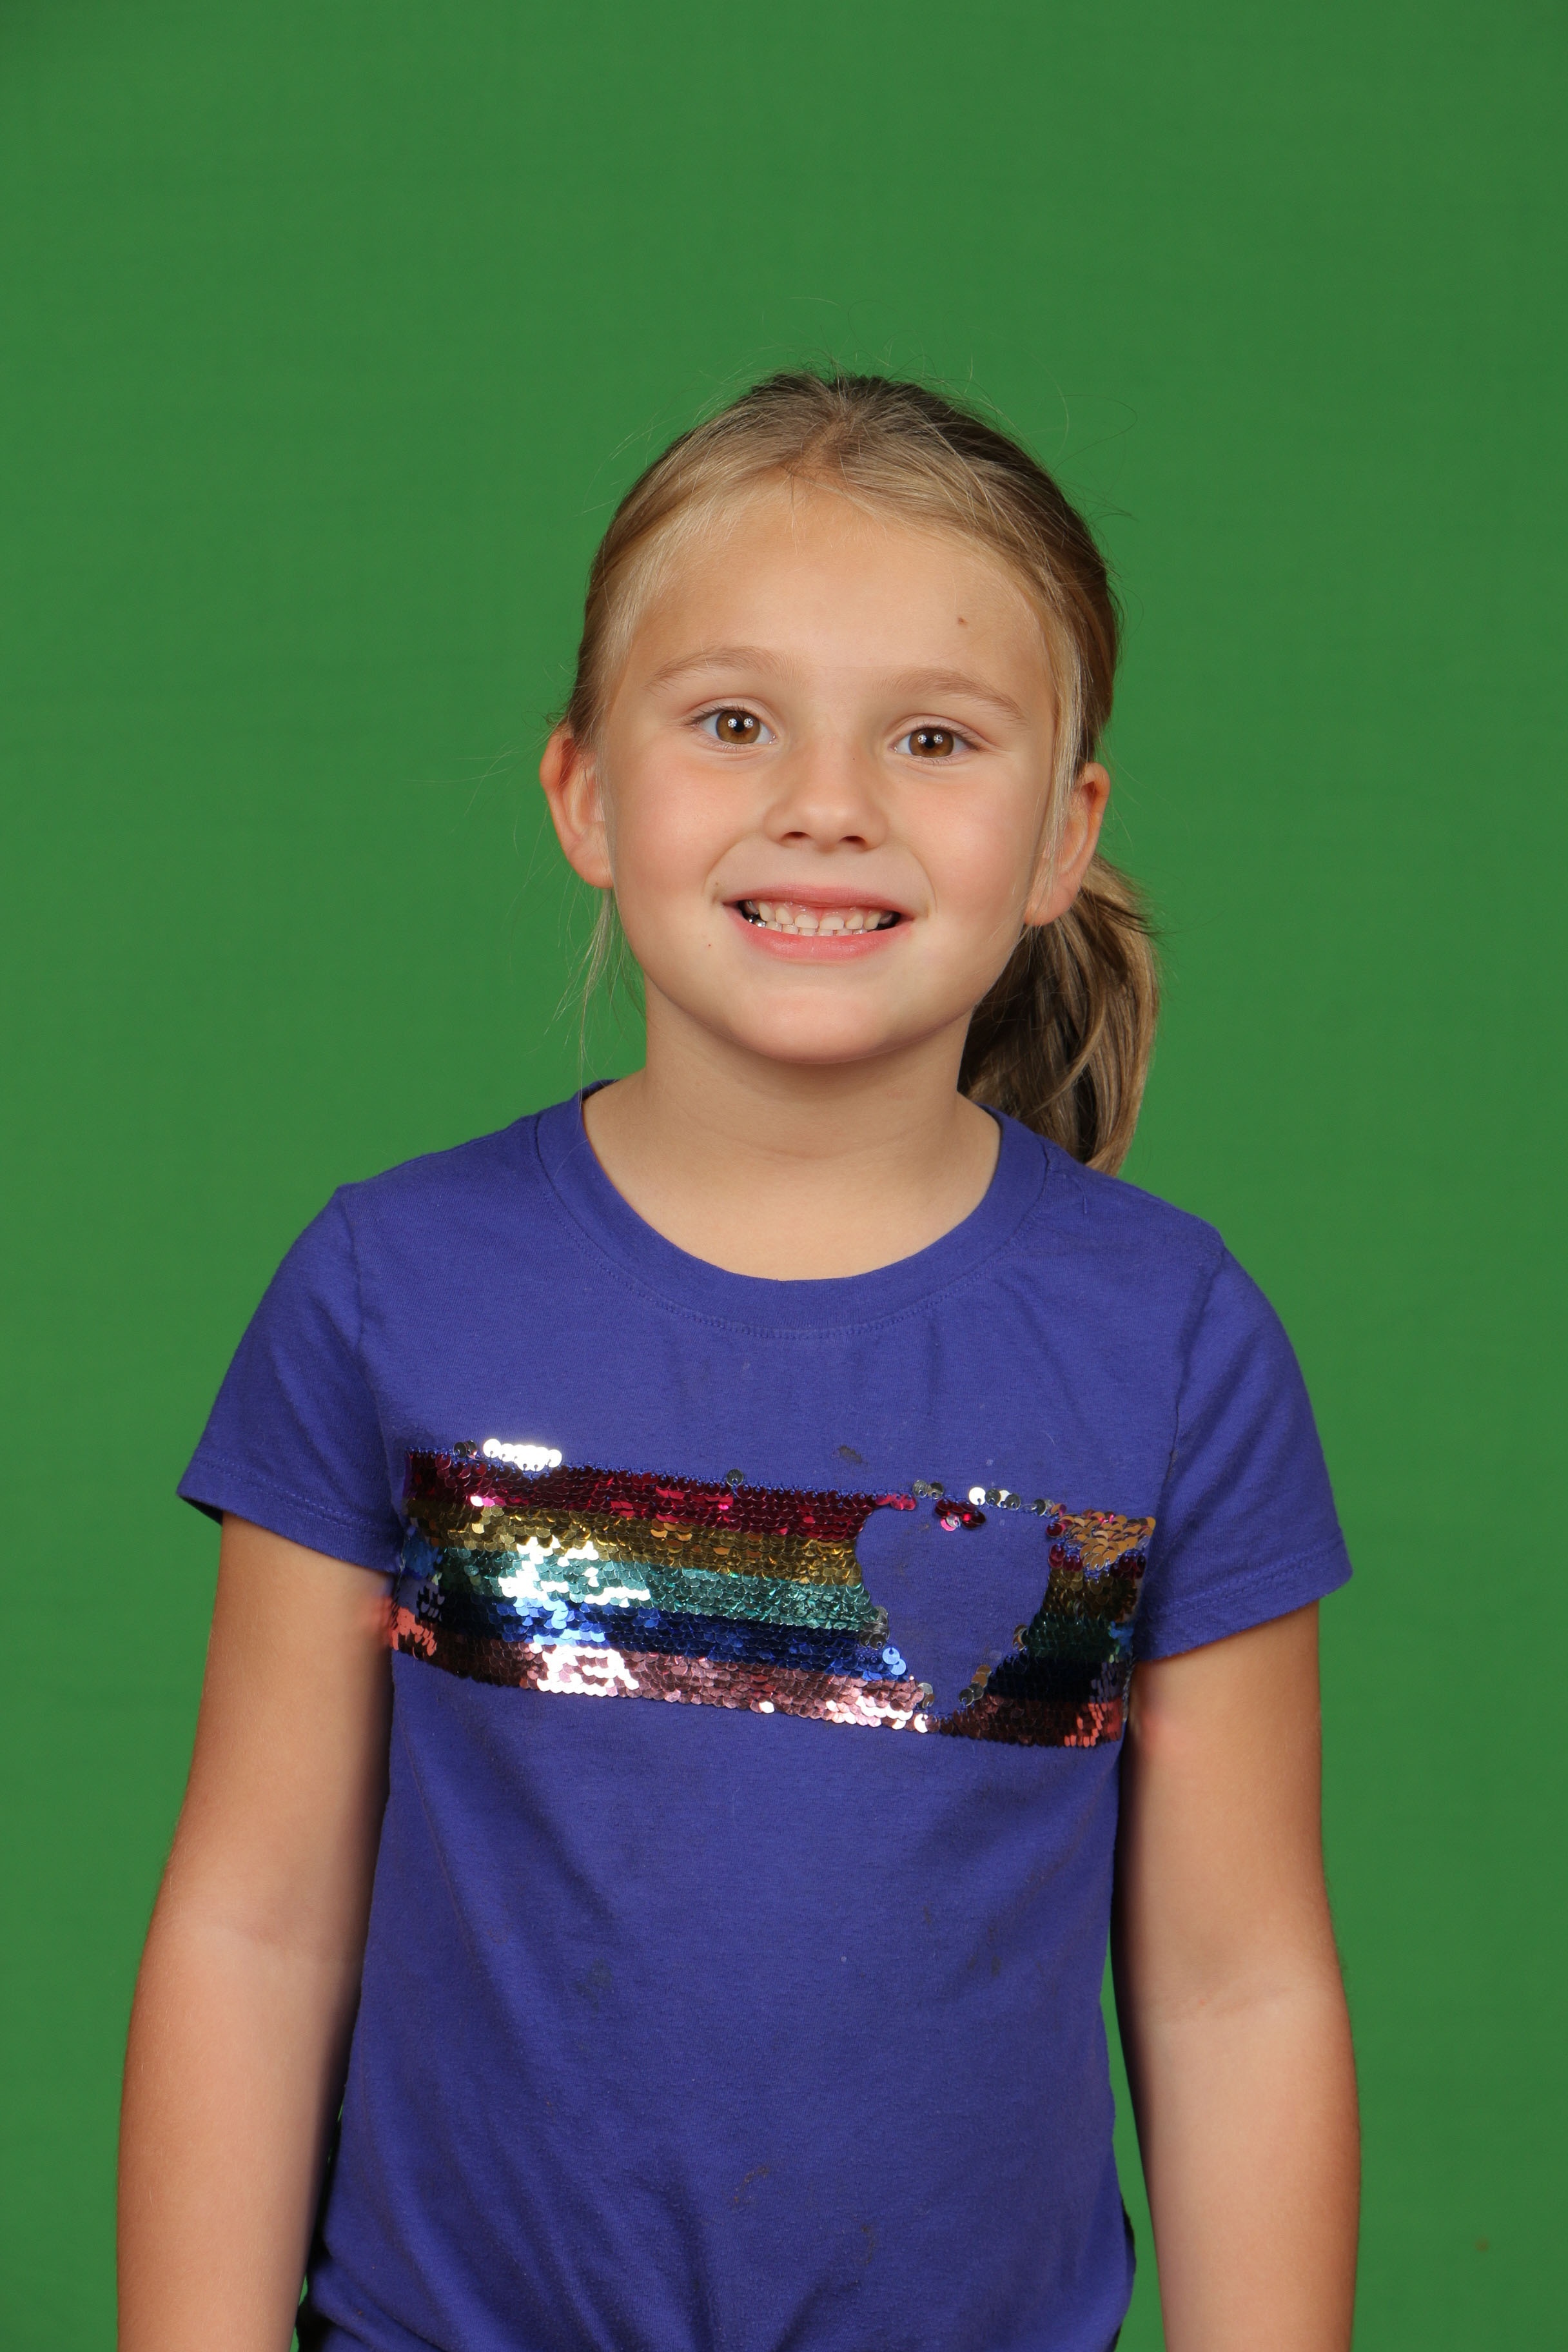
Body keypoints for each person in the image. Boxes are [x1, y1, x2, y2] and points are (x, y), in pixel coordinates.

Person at [118, 369, 1360, 2352]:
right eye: (732, 721)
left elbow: (1236, 1988)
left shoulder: (1174, 1344)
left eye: (934, 737)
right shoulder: (388, 1287)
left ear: (1063, 833)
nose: (828, 804)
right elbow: (258, 1922)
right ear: (587, 797)